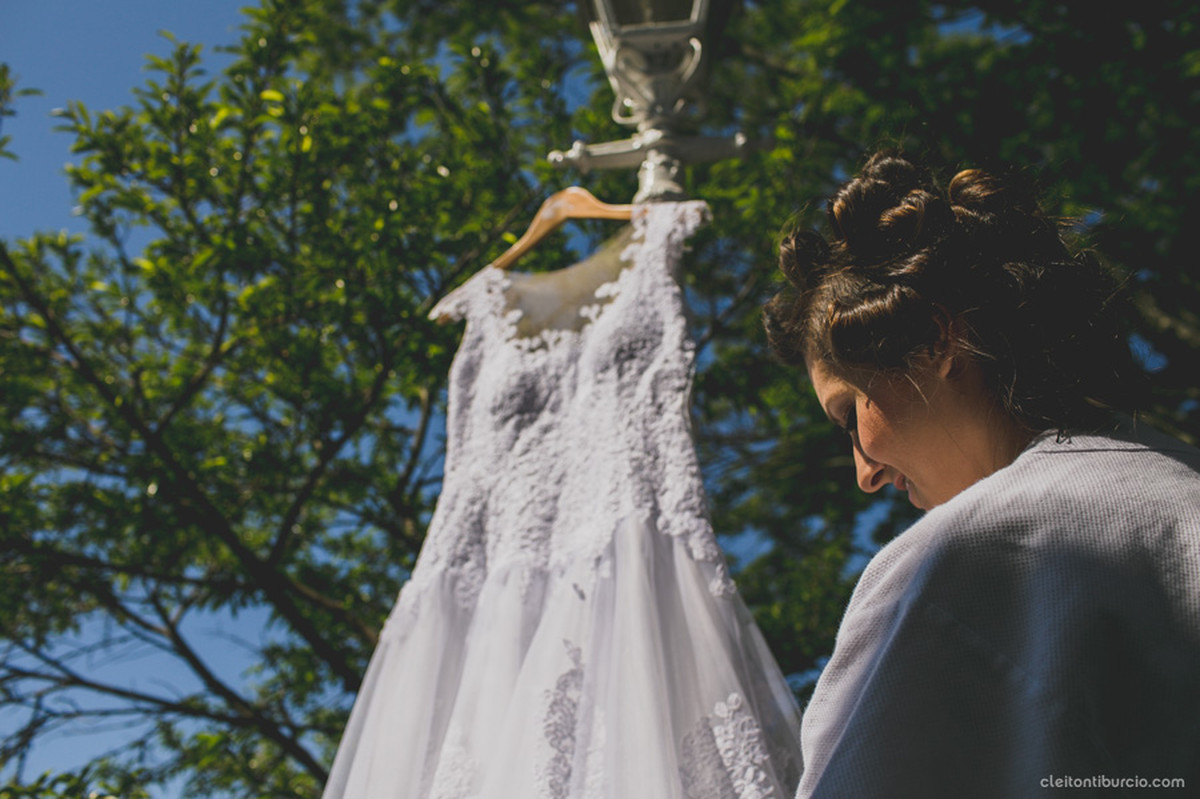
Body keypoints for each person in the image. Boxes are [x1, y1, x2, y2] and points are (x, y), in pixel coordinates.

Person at [763, 151, 1200, 797]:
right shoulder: (1177, 483)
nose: (864, 472)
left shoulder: (971, 553)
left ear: (935, 341)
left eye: (848, 414)